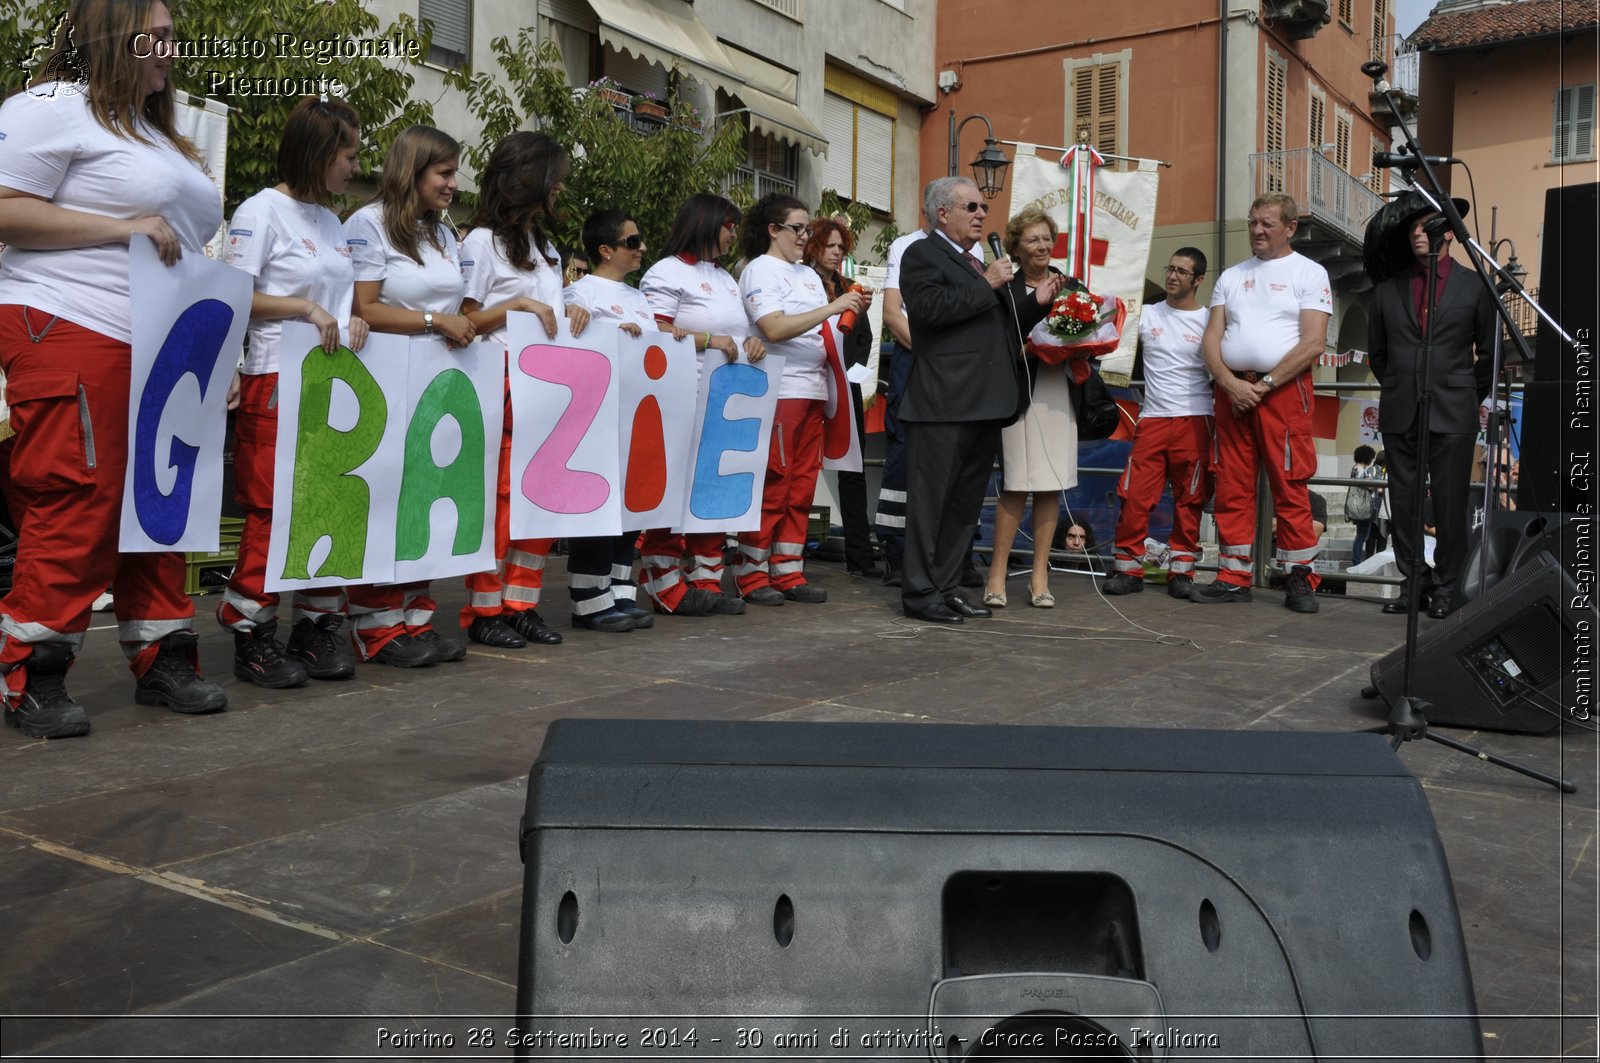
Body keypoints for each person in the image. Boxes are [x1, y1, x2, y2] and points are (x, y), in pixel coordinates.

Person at [0, 0, 229, 738]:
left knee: (162, 499)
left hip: (164, 341)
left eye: (171, 36)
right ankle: (29, 667)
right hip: (68, 321)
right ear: (111, 37)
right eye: (154, 35)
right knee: (79, 492)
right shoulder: (52, 108)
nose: (169, 48)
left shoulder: (158, 135)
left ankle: (161, 652)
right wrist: (120, 226)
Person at [218, 96, 365, 688]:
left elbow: (345, 297)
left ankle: (315, 624)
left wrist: (353, 319)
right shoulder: (261, 211)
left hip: (331, 381)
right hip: (276, 376)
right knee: (273, 510)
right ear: (319, 152)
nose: (355, 166)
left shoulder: (331, 222)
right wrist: (306, 307)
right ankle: (251, 629)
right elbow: (233, 295)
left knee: (328, 503)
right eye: (349, 154)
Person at [897, 177, 1057, 624]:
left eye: (984, 207)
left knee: (964, 506)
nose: (982, 214)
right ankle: (919, 593)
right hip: (942, 402)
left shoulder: (976, 261)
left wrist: (1037, 304)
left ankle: (947, 587)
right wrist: (987, 281)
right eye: (972, 206)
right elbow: (929, 311)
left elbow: (999, 327)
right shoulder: (921, 254)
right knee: (931, 506)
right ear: (943, 212)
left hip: (984, 401)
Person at [344, 125, 475, 665]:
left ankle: (416, 620)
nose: (453, 184)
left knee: (426, 495)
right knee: (386, 499)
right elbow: (364, 309)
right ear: (412, 170)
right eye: (443, 173)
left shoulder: (445, 235)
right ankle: (375, 626)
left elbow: (460, 307)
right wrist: (431, 321)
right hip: (387, 383)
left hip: (439, 386)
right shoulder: (367, 224)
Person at [457, 131, 589, 645]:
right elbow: (466, 318)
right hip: (502, 383)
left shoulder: (546, 247)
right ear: (530, 180)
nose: (560, 189)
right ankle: (484, 611)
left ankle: (521, 603)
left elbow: (550, 315)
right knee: (500, 502)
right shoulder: (478, 242)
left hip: (549, 389)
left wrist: (572, 310)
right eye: (555, 180)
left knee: (540, 500)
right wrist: (521, 308)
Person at [1191, 192, 1332, 612]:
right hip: (1233, 392)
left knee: (1290, 483)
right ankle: (1234, 575)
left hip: (1283, 392)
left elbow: (1314, 342)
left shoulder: (1310, 272)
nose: (1257, 230)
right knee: (1232, 483)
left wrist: (1263, 385)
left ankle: (1300, 578)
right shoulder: (1231, 276)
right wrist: (1230, 384)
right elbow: (1210, 340)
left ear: (1290, 228)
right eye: (1253, 222)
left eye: (1267, 223)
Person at [735, 194, 868, 605]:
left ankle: (788, 569)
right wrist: (832, 307)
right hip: (780, 391)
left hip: (814, 391)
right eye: (798, 228)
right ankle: (752, 573)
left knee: (802, 486)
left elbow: (824, 332)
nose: (804, 236)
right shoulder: (760, 270)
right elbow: (773, 329)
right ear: (773, 230)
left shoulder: (808, 277)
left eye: (807, 228)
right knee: (775, 482)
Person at [1368, 195, 1495, 618]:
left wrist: (1464, 393)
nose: (1417, 235)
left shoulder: (1475, 285)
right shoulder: (1387, 290)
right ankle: (1413, 582)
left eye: (1426, 227)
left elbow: (1490, 355)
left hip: (1454, 409)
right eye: (1413, 229)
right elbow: (1378, 355)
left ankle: (1446, 586)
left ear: (1447, 233)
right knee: (1402, 503)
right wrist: (1402, 385)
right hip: (1402, 406)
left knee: (1449, 501)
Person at [637, 193, 763, 616]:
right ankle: (664, 584)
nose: (733, 234)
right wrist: (709, 340)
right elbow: (652, 329)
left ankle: (705, 580)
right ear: (709, 224)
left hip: (721, 399)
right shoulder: (667, 271)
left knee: (711, 492)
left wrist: (752, 343)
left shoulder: (727, 278)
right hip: (679, 395)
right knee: (672, 494)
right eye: (729, 226)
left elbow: (734, 332)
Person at [561, 208, 669, 632]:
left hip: (638, 413)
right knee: (598, 506)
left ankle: (619, 592)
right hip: (598, 414)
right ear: (605, 250)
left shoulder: (639, 296)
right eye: (632, 242)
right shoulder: (580, 292)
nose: (641, 248)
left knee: (630, 503)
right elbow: (572, 340)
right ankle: (588, 600)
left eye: (640, 241)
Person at [1103, 247, 1214, 600]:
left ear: (1198, 280)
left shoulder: (1210, 320)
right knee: (1135, 496)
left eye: (1182, 272)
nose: (1172, 276)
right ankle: (1129, 569)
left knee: (1190, 498)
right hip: (1151, 419)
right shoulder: (1147, 314)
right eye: (1170, 268)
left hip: (1195, 418)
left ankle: (1181, 573)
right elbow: (1109, 334)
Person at [984, 206, 1074, 609]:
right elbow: (997, 344)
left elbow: (1092, 334)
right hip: (1018, 394)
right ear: (1016, 247)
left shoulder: (1071, 285)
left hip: (1058, 394)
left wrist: (1079, 347)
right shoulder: (1005, 288)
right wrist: (1029, 349)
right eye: (1032, 239)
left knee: (1051, 484)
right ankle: (997, 574)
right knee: (1017, 483)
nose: (1041, 246)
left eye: (1046, 239)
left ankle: (1040, 575)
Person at [804, 217, 878, 578]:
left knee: (853, 472)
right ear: (813, 245)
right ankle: (788, 556)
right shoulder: (800, 283)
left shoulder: (851, 287)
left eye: (840, 247)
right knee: (800, 471)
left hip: (845, 386)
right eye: (829, 246)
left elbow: (863, 337)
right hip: (806, 383)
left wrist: (851, 371)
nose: (836, 253)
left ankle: (861, 559)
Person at [872, 222, 928, 587]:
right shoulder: (906, 245)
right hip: (915, 357)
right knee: (903, 455)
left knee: (952, 458)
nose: (978, 214)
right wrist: (936, 351)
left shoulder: (973, 253)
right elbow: (893, 314)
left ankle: (956, 551)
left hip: (954, 370)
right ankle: (895, 549)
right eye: (968, 206)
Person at [1345, 444, 1380, 566]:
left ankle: (1357, 560)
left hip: (1358, 505)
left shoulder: (1356, 468)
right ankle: (1357, 561)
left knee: (1361, 534)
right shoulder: (1360, 469)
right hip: (1362, 506)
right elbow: (1369, 485)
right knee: (1361, 535)